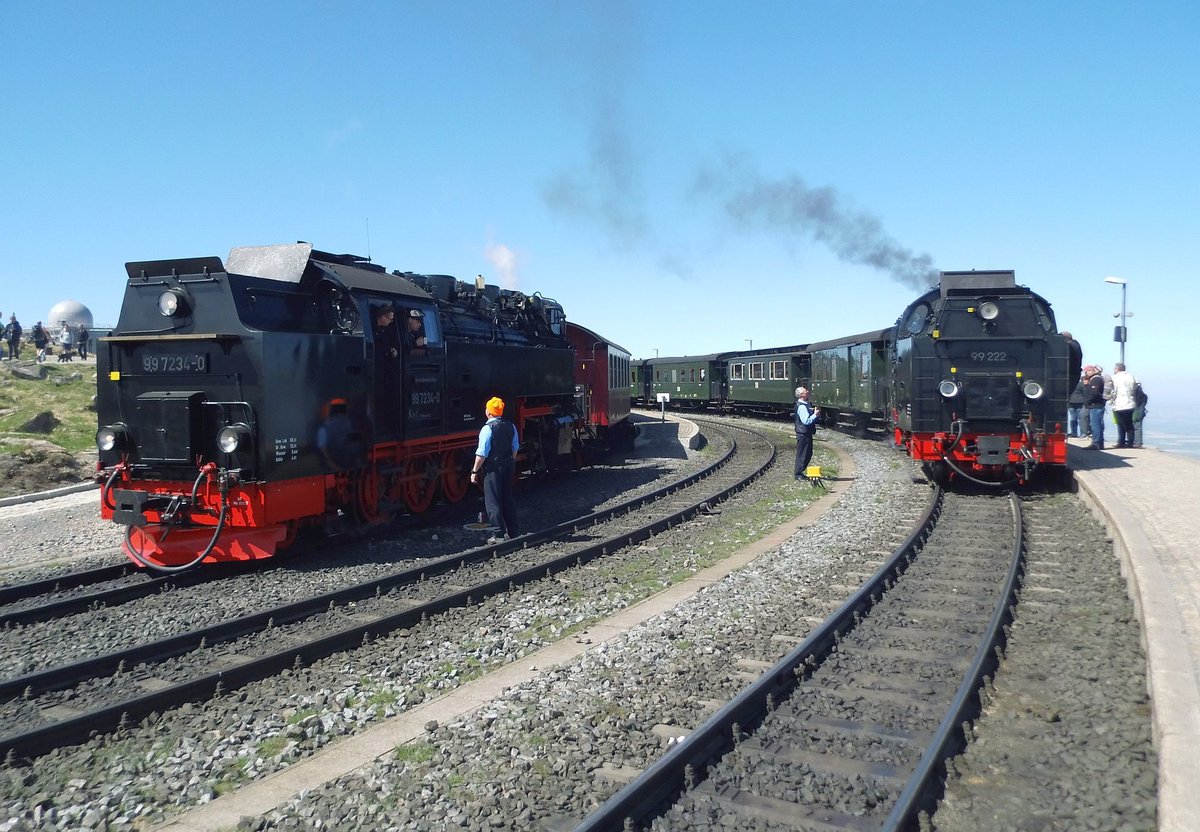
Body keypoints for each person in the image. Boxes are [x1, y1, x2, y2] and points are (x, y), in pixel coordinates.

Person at [470, 396, 520, 543]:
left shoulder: (487, 429)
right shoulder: (511, 426)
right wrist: (510, 461)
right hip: (508, 466)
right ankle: (514, 531)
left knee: (492, 500)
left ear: (488, 412)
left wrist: (474, 471)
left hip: (493, 469)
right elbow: (515, 448)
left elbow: (482, 454)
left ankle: (498, 533)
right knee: (507, 498)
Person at [371, 305, 402, 433]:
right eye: (390, 319)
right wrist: (389, 350)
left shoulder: (387, 331)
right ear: (383, 317)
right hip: (375, 372)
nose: (391, 322)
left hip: (384, 372)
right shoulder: (373, 330)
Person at [793, 386, 821, 478]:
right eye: (805, 391)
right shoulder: (802, 407)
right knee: (803, 454)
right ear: (801, 395)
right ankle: (798, 474)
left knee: (807, 453)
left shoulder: (804, 405)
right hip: (803, 433)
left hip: (805, 433)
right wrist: (815, 415)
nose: (808, 392)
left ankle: (800, 472)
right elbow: (806, 421)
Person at [1110, 362, 1138, 449]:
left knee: (1120, 424)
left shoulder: (1115, 378)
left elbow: (1113, 390)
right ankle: (1130, 442)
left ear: (1117, 369)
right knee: (1129, 424)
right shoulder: (1131, 377)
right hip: (1130, 403)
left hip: (1119, 403)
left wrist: (1110, 400)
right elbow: (1135, 388)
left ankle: (1121, 442)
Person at [1082, 366, 1107, 450]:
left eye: (1087, 371)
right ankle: (1100, 443)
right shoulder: (1097, 379)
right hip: (1098, 405)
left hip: (1095, 405)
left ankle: (1095, 443)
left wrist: (1088, 401)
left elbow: (1094, 393)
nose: (1086, 373)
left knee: (1095, 425)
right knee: (1098, 424)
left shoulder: (1095, 379)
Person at [1132, 381, 1148, 449]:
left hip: (1135, 412)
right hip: (1140, 413)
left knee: (1135, 427)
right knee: (1138, 427)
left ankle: (1136, 442)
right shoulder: (1144, 396)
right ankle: (1137, 442)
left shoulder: (1133, 395)